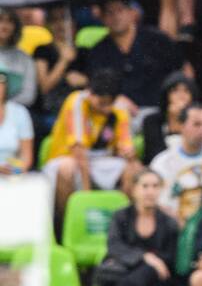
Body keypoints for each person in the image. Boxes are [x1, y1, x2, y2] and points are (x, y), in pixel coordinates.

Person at [44, 69, 140, 224]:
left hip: (100, 161)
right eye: (100, 102)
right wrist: (87, 198)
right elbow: (79, 154)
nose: (104, 108)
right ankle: (67, 225)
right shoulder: (76, 102)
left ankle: (124, 224)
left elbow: (126, 147)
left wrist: (130, 155)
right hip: (66, 158)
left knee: (134, 169)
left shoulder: (119, 109)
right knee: (67, 168)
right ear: (90, 92)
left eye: (107, 104)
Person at [84, 0, 187, 119]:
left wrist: (181, 98)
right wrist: (116, 99)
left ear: (131, 12)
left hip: (159, 112)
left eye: (120, 10)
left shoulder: (157, 40)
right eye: (109, 12)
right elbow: (95, 88)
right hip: (120, 114)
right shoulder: (98, 51)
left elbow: (183, 69)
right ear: (101, 18)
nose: (116, 17)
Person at [149, 102, 202, 224]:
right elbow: (156, 203)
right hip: (174, 227)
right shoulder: (162, 162)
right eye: (197, 124)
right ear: (181, 126)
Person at [94, 169, 179, 286]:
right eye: (145, 186)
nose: (150, 192)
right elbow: (114, 245)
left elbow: (170, 256)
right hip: (123, 269)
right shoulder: (121, 216)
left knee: (150, 270)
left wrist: (152, 261)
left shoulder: (168, 221)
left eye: (155, 186)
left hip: (154, 277)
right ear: (134, 189)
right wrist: (144, 257)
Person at [32, 6, 85, 136]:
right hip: (52, 111)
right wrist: (63, 61)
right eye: (55, 20)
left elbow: (95, 82)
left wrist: (84, 80)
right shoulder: (42, 51)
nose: (60, 24)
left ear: (74, 24)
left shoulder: (85, 51)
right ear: (49, 25)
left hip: (83, 109)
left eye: (65, 19)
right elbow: (44, 87)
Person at [140, 73, 198, 162]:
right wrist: (173, 121)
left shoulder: (200, 120)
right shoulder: (151, 121)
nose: (181, 96)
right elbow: (155, 155)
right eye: (175, 91)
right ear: (166, 95)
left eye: (186, 91)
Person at [0, 8, 36, 107]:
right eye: (0, 20)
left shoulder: (25, 59)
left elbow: (28, 96)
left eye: (10, 21)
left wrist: (4, 107)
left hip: (13, 115)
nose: (4, 25)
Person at [0, 71, 33, 176]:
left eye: (1, 80)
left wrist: (17, 170)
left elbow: (26, 156)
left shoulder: (20, 112)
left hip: (11, 176)